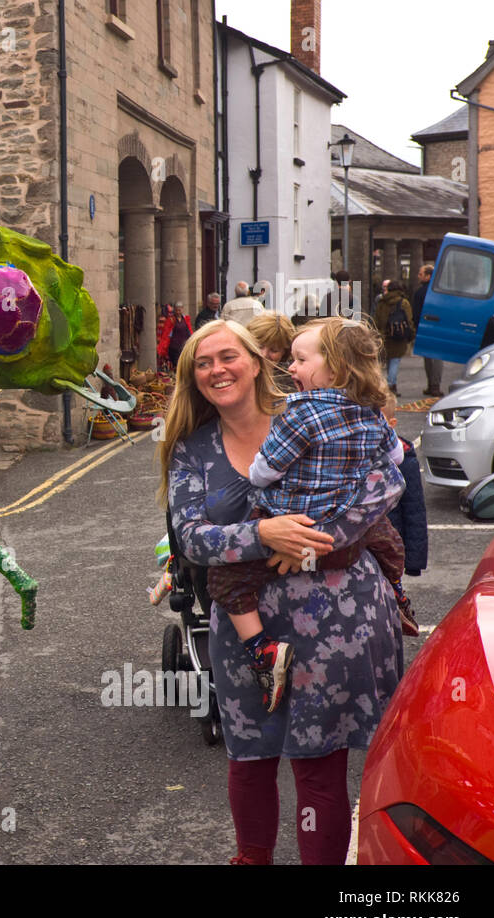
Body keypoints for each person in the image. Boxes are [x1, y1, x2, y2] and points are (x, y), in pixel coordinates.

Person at [158, 319, 405, 866]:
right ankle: (253, 858)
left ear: (255, 360)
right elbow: (192, 538)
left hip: (338, 616)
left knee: (319, 766)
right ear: (192, 377)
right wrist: (263, 534)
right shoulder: (191, 448)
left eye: (228, 356)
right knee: (250, 756)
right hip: (249, 631)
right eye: (203, 363)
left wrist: (319, 540)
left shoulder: (319, 411)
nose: (217, 370)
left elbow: (387, 481)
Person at [204, 318, 411, 712]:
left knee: (225, 580)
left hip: (288, 521)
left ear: (334, 367)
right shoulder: (370, 412)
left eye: (299, 359)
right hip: (346, 519)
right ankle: (398, 593)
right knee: (386, 541)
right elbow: (396, 460)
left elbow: (263, 471)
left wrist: (259, 474)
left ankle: (261, 649)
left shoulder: (299, 413)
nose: (291, 368)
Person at [383, 394, 428, 580]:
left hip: (391, 550)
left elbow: (414, 511)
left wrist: (413, 561)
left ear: (391, 423)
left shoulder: (405, 460)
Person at [373, 277, 414, 395]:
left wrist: (378, 332)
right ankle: (391, 385)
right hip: (399, 336)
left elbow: (377, 320)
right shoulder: (403, 302)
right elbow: (409, 319)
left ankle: (384, 385)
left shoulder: (382, 302)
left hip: (384, 336)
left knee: (384, 361)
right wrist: (411, 333)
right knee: (395, 361)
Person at [245, 312, 296, 391]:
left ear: (284, 353)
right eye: (259, 346)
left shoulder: (292, 382)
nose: (263, 355)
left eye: (274, 350)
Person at [412, 264, 442, 396]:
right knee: (436, 358)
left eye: (421, 274)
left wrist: (416, 327)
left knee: (429, 359)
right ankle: (435, 385)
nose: (418, 276)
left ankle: (432, 385)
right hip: (438, 327)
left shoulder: (420, 292)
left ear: (428, 276)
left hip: (424, 327)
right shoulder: (439, 292)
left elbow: (416, 313)